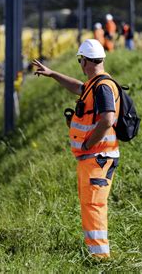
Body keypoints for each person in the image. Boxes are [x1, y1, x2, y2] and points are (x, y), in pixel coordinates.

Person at [32, 39, 120, 258]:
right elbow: (76, 87)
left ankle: (100, 258)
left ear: (86, 62)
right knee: (89, 203)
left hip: (98, 156)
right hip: (91, 157)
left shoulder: (102, 87)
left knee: (94, 204)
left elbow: (108, 119)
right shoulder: (93, 85)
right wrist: (52, 74)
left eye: (81, 60)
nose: (80, 64)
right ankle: (95, 252)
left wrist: (89, 142)